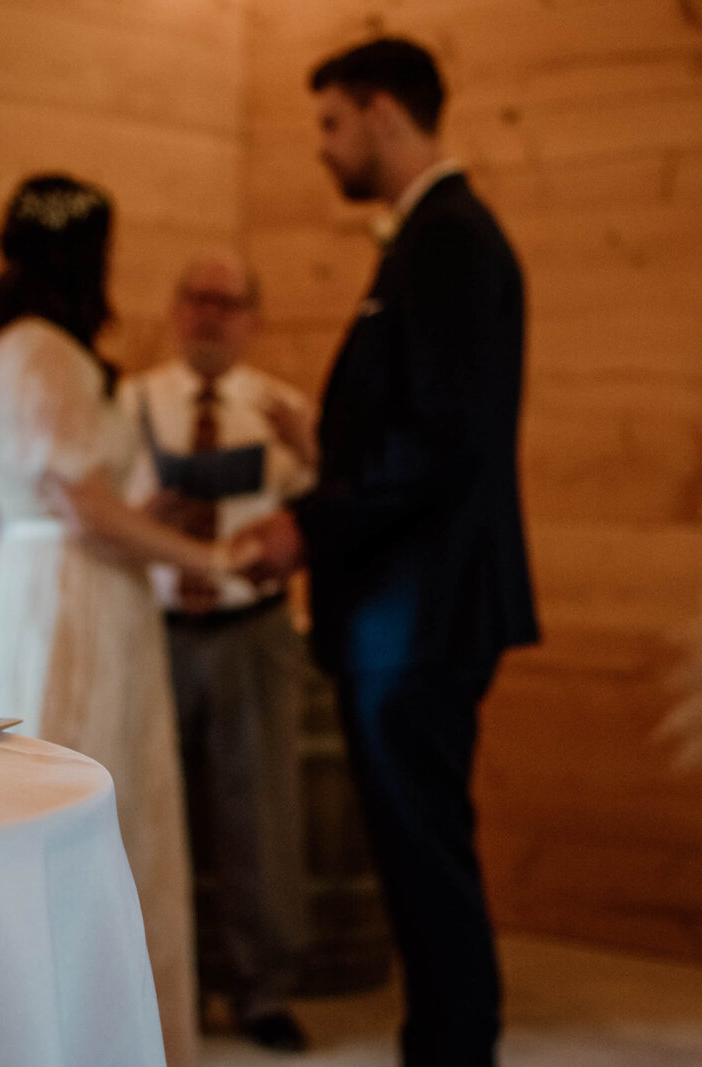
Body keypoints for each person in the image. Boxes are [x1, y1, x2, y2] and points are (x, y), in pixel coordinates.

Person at [237, 38, 540, 1067]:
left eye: (329, 122)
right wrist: (327, 454)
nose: (322, 149)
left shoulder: (447, 238)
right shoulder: (423, 240)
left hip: (419, 611)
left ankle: (452, 1050)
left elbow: (439, 441)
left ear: (378, 110)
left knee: (424, 861)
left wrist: (304, 525)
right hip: (406, 603)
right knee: (415, 859)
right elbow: (422, 428)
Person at [0, 174, 251, 1067]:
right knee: (71, 800)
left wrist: (146, 509)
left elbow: (87, 493)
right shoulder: (40, 349)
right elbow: (80, 506)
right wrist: (211, 560)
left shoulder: (32, 346)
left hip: (73, 585)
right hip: (66, 600)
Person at [117, 252, 316, 1053]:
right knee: (148, 808)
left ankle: (261, 987)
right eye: (196, 297)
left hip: (250, 626)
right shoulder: (129, 402)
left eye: (227, 302)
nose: (209, 313)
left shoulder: (283, 410)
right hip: (152, 624)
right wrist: (149, 511)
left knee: (258, 811)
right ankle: (159, 978)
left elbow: (327, 513)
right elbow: (95, 507)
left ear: (252, 319)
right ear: (174, 308)